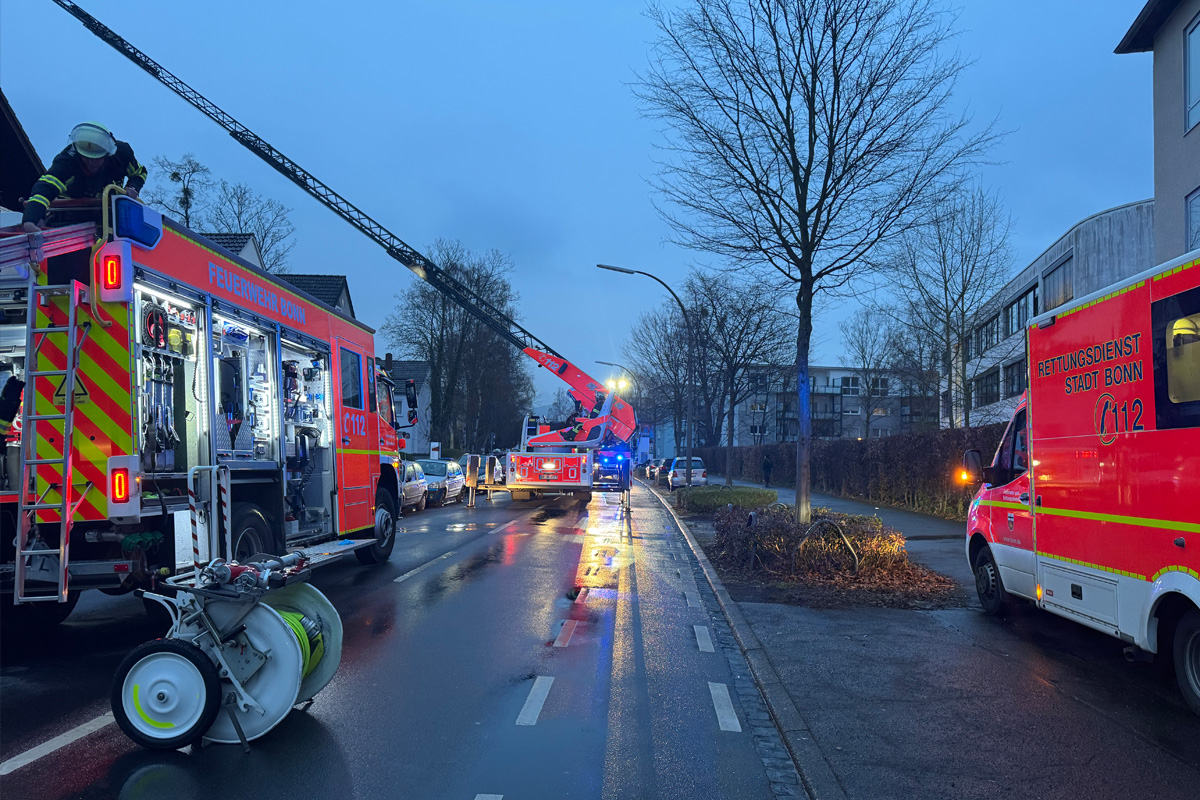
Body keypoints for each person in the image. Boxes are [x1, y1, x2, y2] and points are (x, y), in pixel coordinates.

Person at [22, 122, 147, 233]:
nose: (91, 163)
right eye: (86, 157)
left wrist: (133, 188)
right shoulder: (68, 158)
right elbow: (46, 186)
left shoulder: (122, 154)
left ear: (107, 154)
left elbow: (140, 173)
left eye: (97, 158)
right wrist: (31, 218)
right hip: (69, 215)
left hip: (109, 215)